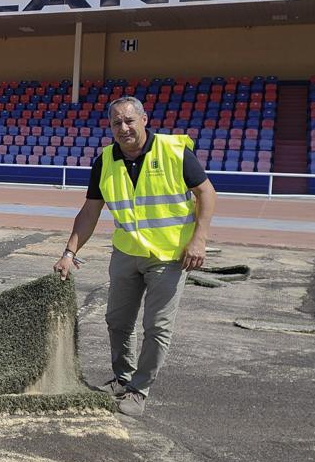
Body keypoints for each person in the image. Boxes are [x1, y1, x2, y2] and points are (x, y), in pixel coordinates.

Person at [53, 96, 216, 417]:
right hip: (127, 253)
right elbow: (89, 211)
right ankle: (122, 378)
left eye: (129, 120)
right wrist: (69, 252)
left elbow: (206, 193)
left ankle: (139, 390)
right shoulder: (105, 161)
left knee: (156, 326)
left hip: (170, 256)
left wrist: (200, 238)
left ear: (144, 119)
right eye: (116, 123)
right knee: (117, 321)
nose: (123, 128)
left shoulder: (174, 151)